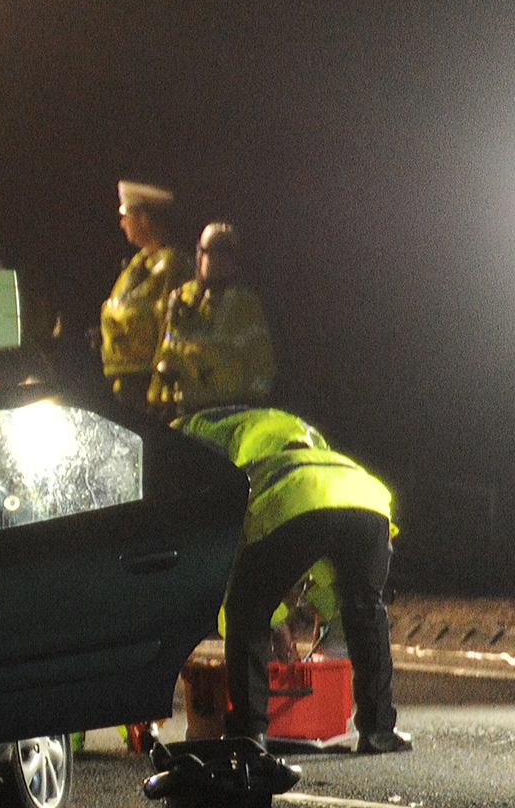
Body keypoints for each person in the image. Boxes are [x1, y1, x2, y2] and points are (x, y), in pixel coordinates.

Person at [180, 406, 408, 752]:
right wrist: (325, 612)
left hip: (297, 499)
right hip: (371, 500)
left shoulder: (213, 465)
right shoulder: (303, 438)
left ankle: (248, 733)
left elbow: (235, 582)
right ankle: (379, 732)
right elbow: (325, 555)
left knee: (247, 611)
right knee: (367, 610)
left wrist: (277, 623)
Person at [150, 222, 276, 419]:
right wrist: (158, 396)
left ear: (228, 258)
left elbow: (261, 364)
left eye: (206, 251)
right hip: (182, 409)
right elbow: (168, 348)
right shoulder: (183, 296)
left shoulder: (244, 304)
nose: (199, 257)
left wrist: (251, 409)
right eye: (199, 250)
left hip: (224, 411)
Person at [99, 180, 189, 410]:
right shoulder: (136, 266)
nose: (122, 223)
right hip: (123, 381)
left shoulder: (173, 266)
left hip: (149, 384)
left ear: (145, 217)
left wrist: (160, 386)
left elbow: (171, 327)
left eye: (126, 214)